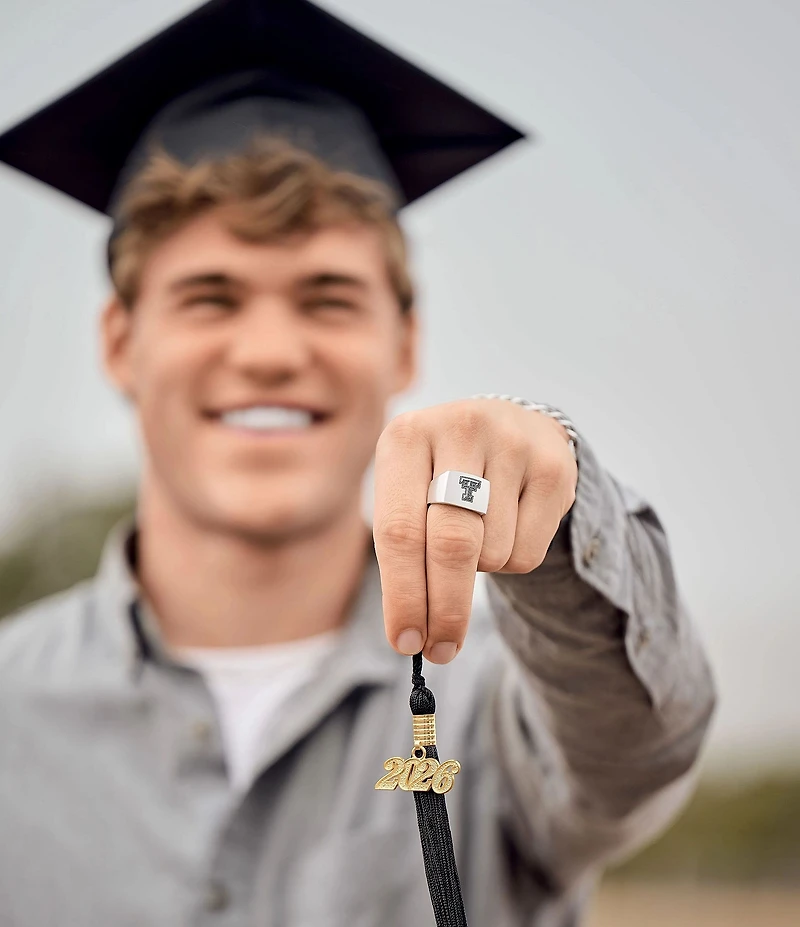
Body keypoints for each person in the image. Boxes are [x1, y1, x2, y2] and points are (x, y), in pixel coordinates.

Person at [0, 1, 715, 925]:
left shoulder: (503, 695)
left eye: (328, 298)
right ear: (118, 341)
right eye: (210, 297)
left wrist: (560, 509)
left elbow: (640, 747)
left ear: (404, 343)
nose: (267, 352)